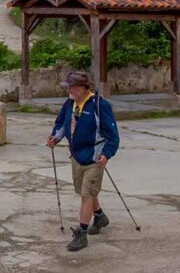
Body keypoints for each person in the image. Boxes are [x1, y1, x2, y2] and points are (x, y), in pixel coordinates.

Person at [46, 70, 119, 251]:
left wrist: (107, 153)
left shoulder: (99, 106)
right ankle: (100, 216)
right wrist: (54, 138)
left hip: (95, 157)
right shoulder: (70, 103)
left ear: (81, 88)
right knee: (84, 191)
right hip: (76, 156)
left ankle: (81, 234)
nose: (68, 90)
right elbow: (61, 123)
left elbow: (113, 135)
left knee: (86, 194)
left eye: (71, 87)